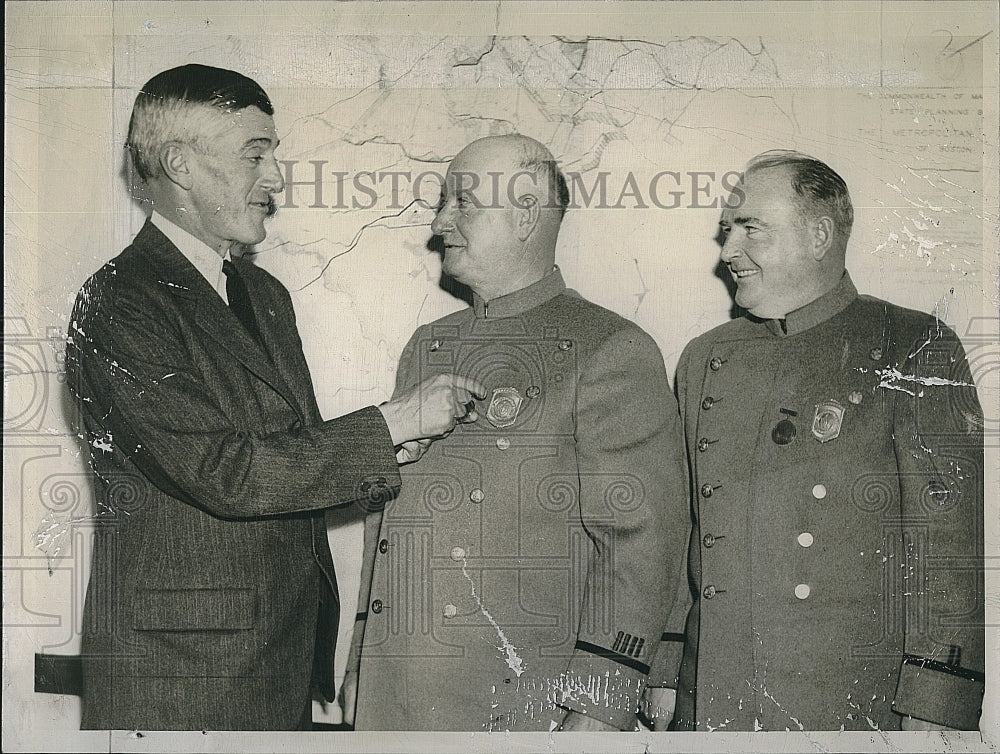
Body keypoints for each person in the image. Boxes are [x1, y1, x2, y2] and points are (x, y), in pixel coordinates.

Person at [64, 64, 483, 731]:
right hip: (178, 676)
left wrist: (394, 445)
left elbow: (287, 456)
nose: (277, 179)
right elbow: (226, 473)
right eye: (255, 156)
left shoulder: (264, 296)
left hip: (276, 658)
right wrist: (389, 421)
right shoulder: (118, 301)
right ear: (180, 165)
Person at [339, 134, 690, 732]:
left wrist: (602, 703)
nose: (439, 220)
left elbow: (641, 544)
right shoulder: (428, 345)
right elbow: (388, 524)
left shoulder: (608, 348)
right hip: (399, 689)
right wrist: (361, 663)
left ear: (526, 213)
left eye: (462, 201)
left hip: (520, 703)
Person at [642, 150, 985, 731]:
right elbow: (684, 534)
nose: (728, 252)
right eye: (729, 230)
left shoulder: (912, 343)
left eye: (752, 229)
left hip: (844, 699)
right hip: (714, 692)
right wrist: (668, 666)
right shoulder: (706, 359)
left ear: (820, 235)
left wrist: (936, 705)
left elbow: (947, 545)